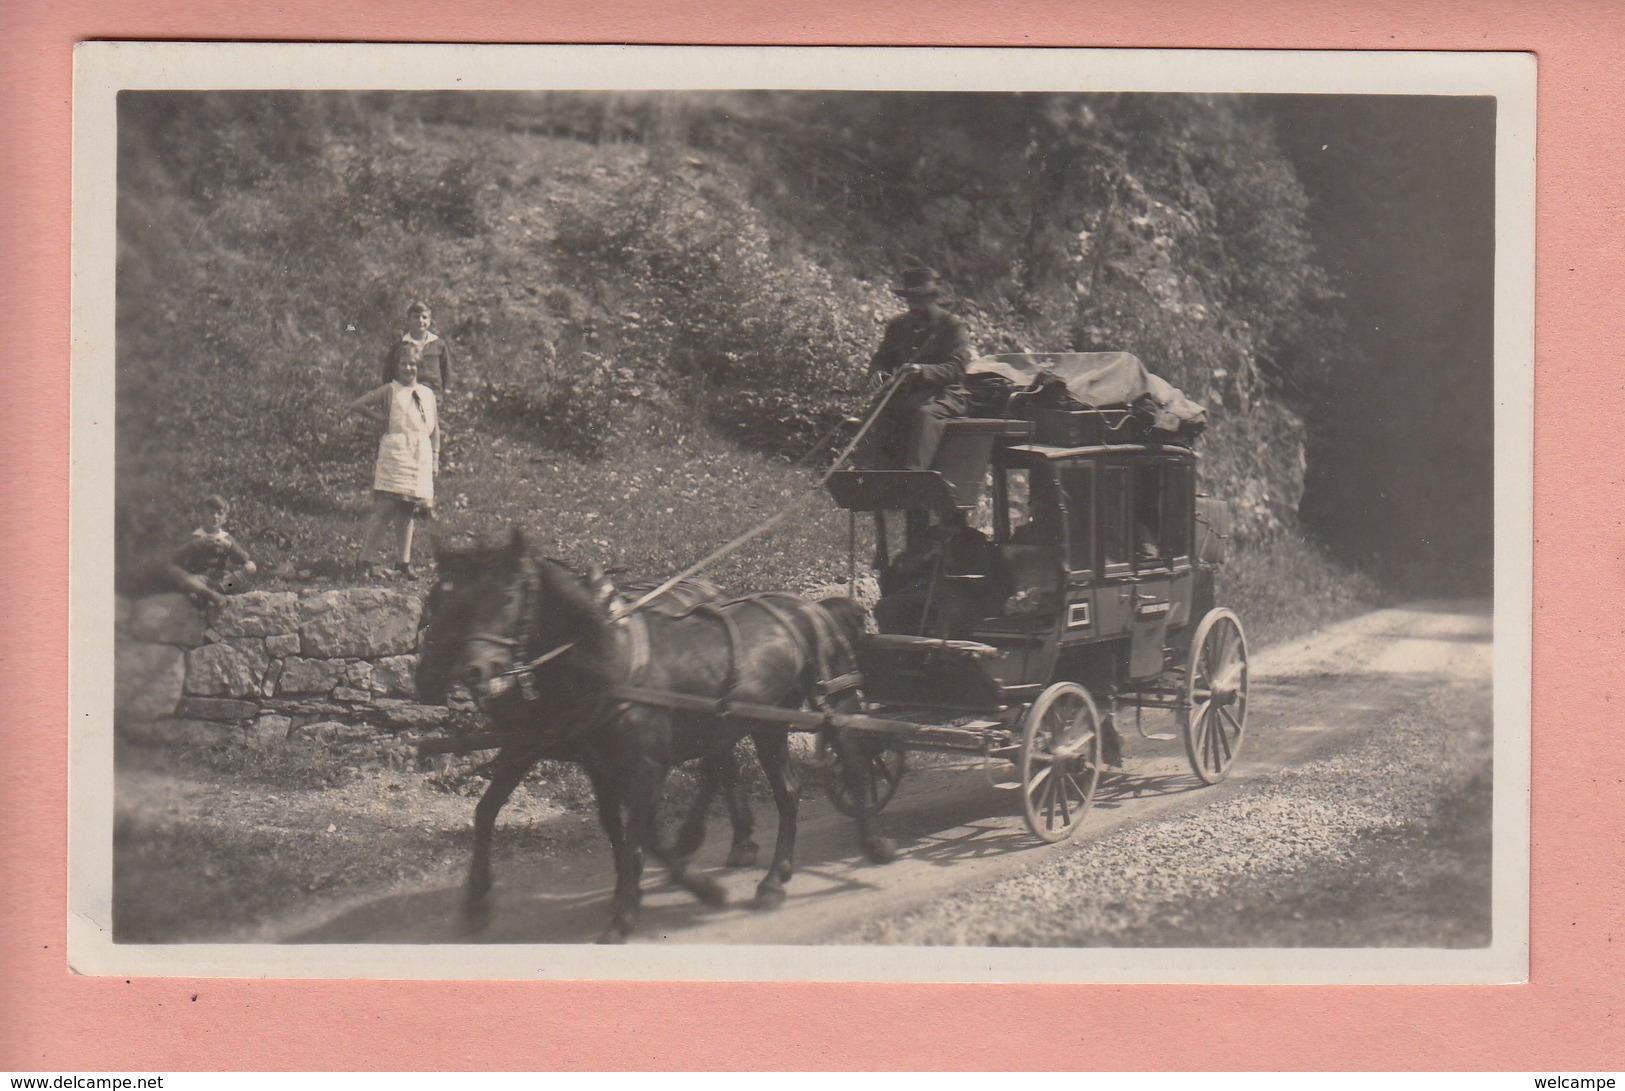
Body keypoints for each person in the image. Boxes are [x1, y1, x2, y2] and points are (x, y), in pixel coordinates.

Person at [863, 265, 972, 472]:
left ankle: (914, 477)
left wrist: (922, 371)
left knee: (924, 415)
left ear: (932, 297)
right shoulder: (898, 325)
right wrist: (877, 372)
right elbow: (881, 358)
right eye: (910, 300)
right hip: (906, 395)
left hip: (944, 395)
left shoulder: (952, 326)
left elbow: (957, 368)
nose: (914, 306)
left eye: (920, 299)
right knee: (876, 413)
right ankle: (867, 475)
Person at [351, 345, 439, 578]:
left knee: (408, 509)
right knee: (386, 507)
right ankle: (364, 561)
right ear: (397, 367)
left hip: (420, 454)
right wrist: (382, 418)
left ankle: (403, 562)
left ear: (419, 367)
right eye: (403, 364)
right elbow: (358, 404)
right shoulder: (390, 390)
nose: (408, 368)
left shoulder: (427, 394)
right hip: (396, 453)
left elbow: (435, 430)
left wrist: (436, 457)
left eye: (412, 364)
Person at [167, 494, 256, 607]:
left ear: (225, 519)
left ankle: (213, 593)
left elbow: (245, 558)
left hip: (221, 580)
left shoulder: (226, 537)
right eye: (211, 512)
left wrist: (229, 546)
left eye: (220, 513)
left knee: (251, 566)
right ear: (202, 515)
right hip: (199, 579)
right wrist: (197, 544)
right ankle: (210, 594)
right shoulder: (195, 536)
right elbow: (176, 557)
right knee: (173, 570)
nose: (215, 517)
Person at [381, 301, 451, 396]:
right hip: (405, 394)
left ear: (430, 321)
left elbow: (445, 370)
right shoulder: (400, 345)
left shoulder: (439, 344)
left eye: (424, 317)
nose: (420, 320)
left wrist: (445, 389)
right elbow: (388, 372)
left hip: (432, 394)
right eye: (416, 317)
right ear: (408, 320)